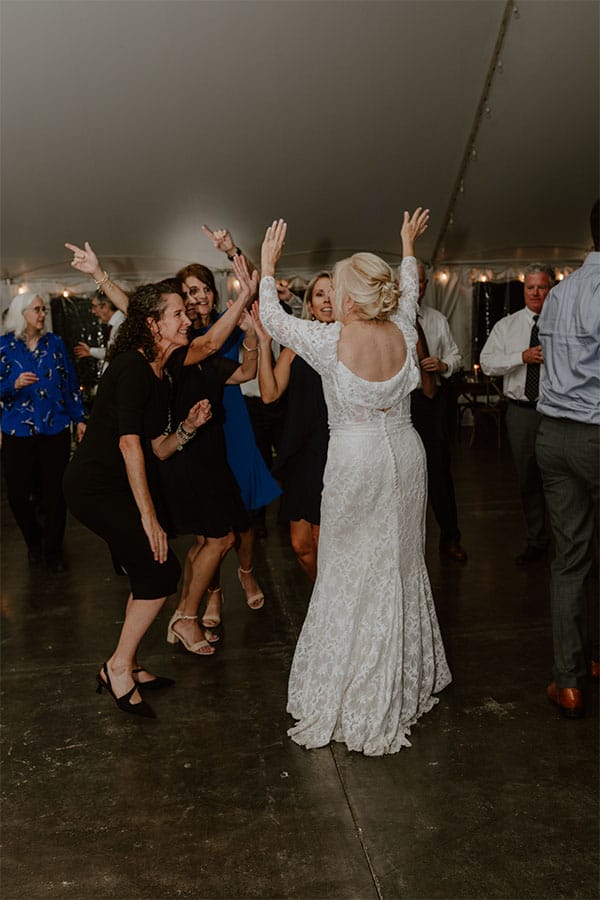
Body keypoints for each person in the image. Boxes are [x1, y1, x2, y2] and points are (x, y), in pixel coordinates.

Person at [256, 211, 452, 756]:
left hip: (356, 461)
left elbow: (271, 318)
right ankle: (400, 682)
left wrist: (267, 264)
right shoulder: (404, 327)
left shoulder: (329, 341)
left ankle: (351, 689)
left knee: (345, 569)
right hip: (407, 457)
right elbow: (409, 287)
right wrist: (408, 245)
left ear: (352, 297)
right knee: (400, 563)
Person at [63, 279, 213, 718]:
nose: (188, 319)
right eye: (178, 314)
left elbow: (155, 448)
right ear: (152, 324)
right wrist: (149, 518)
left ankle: (122, 662)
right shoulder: (129, 366)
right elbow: (129, 445)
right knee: (160, 569)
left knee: (152, 572)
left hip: (119, 485)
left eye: (188, 313)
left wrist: (187, 428)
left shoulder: (159, 374)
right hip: (93, 487)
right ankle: (118, 667)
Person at [177, 245, 280, 626]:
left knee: (247, 515)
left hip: (234, 422)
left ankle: (247, 571)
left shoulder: (229, 320)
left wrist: (232, 249)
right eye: (189, 291)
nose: (198, 296)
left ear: (212, 291)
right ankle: (214, 594)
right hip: (201, 428)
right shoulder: (182, 333)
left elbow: (252, 286)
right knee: (211, 524)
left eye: (203, 287)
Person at [160, 263, 261, 651]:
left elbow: (246, 371)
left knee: (209, 542)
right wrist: (246, 298)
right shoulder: (175, 355)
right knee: (218, 539)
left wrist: (251, 336)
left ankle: (182, 615)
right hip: (189, 457)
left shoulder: (203, 358)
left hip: (211, 456)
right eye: (181, 309)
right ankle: (187, 616)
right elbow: (210, 344)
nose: (188, 316)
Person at [535, 201, 600, 719]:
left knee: (571, 560)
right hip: (597, 434)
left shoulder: (558, 291)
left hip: (553, 436)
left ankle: (571, 679)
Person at [252, 272, 333, 582]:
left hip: (335, 449)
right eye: (319, 294)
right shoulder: (296, 346)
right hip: (300, 451)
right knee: (301, 546)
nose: (326, 300)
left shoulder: (348, 342)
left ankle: (332, 612)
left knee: (324, 540)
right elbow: (269, 394)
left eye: (331, 293)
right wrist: (263, 344)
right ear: (309, 305)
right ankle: (322, 602)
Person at [0, 292, 86, 571]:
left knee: (55, 493)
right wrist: (13, 384)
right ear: (21, 313)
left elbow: (70, 383)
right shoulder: (4, 347)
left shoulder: (55, 343)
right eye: (36, 309)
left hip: (55, 427)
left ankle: (52, 550)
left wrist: (80, 419)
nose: (42, 314)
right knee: (17, 494)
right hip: (17, 429)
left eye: (43, 309)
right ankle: (34, 542)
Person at [480, 264, 554, 564]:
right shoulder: (506, 326)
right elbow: (487, 363)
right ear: (523, 290)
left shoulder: (563, 324)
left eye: (542, 287)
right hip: (521, 412)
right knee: (527, 480)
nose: (536, 293)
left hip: (555, 413)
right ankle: (537, 542)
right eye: (530, 287)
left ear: (552, 289)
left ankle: (568, 549)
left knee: (561, 481)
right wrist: (520, 357)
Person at [411, 262, 467, 562]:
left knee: (440, 474)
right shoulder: (386, 321)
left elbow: (456, 356)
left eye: (420, 283)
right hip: (401, 406)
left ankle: (450, 538)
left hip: (432, 404)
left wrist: (443, 365)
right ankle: (409, 548)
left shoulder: (436, 319)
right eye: (411, 281)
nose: (416, 288)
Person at [74, 292, 126, 375]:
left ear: (105, 306)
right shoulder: (115, 325)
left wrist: (91, 351)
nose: (93, 311)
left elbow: (116, 353)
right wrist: (90, 351)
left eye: (95, 306)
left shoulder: (121, 325)